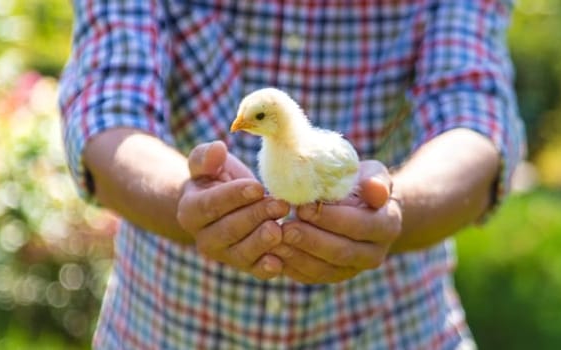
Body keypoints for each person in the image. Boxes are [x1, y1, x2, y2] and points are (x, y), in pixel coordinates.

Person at [58, 0, 525, 348]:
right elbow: (106, 106)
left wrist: (392, 204)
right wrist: (181, 196)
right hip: (166, 323)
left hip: (391, 325)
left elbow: (475, 112)